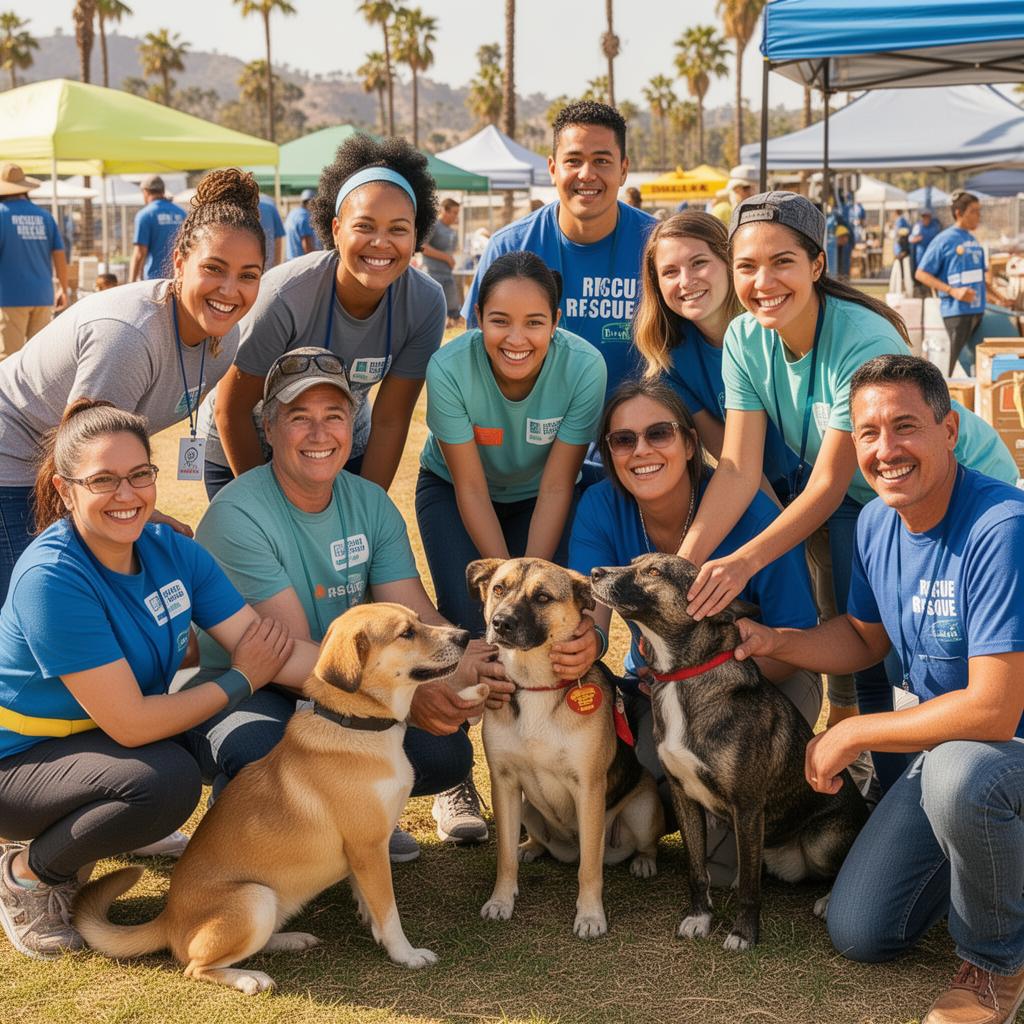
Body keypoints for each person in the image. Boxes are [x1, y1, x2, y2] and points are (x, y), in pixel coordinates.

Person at [733, 355, 1024, 1024]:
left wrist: (853, 730)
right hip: (965, 757)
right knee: (863, 930)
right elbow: (865, 637)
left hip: (997, 750)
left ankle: (995, 966)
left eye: (905, 427)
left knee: (958, 769)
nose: (885, 450)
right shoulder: (877, 523)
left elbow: (994, 708)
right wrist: (780, 642)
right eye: (867, 433)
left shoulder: (1001, 527)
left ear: (949, 431)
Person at [679, 191, 1017, 752]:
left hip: (950, 486)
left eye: (782, 261)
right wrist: (682, 569)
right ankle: (879, 775)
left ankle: (964, 756)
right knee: (863, 632)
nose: (764, 281)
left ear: (817, 264)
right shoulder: (742, 338)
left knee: (944, 641)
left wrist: (742, 562)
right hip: (872, 494)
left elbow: (828, 484)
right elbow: (737, 468)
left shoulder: (860, 338)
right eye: (746, 267)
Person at [0, 399, 318, 960]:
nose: (127, 495)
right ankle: (27, 873)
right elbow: (131, 722)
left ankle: (222, 866)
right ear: (65, 488)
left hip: (101, 739)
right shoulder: (52, 577)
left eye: (139, 475)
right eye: (103, 480)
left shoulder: (174, 551)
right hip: (22, 761)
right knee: (161, 783)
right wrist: (242, 679)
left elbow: (268, 647)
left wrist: (396, 684)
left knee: (254, 741)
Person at [195, 349, 510, 860]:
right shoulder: (238, 516)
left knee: (444, 754)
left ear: (351, 427)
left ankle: (361, 818)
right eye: (300, 418)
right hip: (257, 685)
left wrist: (472, 664)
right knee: (260, 750)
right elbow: (294, 659)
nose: (320, 435)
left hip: (345, 679)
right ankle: (254, 827)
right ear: (269, 429)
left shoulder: (370, 502)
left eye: (334, 417)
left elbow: (417, 615)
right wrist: (409, 692)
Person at [568, 378, 822, 882]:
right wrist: (583, 647)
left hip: (766, 682)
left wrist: (703, 679)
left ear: (689, 443)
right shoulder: (601, 507)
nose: (641, 450)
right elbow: (592, 626)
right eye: (623, 440)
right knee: (642, 771)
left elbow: (795, 641)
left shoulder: (750, 514)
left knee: (727, 866)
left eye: (658, 433)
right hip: (658, 687)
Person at [0, 168, 267, 601]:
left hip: (67, 465)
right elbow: (87, 464)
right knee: (37, 603)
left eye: (248, 275)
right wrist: (141, 515)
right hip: (13, 457)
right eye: (213, 269)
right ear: (180, 262)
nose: (229, 290)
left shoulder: (225, 338)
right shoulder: (130, 337)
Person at [200, 134, 447, 499]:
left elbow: (390, 421)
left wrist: (366, 509)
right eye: (364, 226)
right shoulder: (285, 296)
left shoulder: (425, 303)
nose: (381, 243)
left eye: (398, 229)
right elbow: (231, 410)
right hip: (244, 443)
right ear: (335, 230)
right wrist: (269, 509)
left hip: (335, 449)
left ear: (416, 235)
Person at [417, 251, 607, 634]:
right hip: (455, 491)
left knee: (542, 615)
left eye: (534, 322)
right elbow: (470, 488)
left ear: (555, 322)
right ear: (478, 319)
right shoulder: (448, 367)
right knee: (471, 619)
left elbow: (556, 486)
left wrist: (523, 589)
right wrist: (504, 587)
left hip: (542, 494)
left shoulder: (585, 367)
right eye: (499, 321)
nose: (516, 338)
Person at [462, 101, 656, 402]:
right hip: (536, 434)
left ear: (624, 169)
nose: (587, 174)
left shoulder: (659, 246)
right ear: (553, 168)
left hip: (632, 435)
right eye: (574, 160)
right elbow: (474, 356)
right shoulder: (509, 247)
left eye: (602, 161)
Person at [632, 211, 800, 505]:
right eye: (670, 272)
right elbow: (733, 463)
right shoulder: (672, 364)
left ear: (730, 263)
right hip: (765, 494)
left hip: (837, 486)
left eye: (699, 263)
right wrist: (782, 528)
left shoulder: (775, 326)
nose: (686, 281)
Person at [0, 163, 68, 361]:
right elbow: (59, 254)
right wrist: (63, 288)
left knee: (7, 360)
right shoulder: (45, 216)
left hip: (9, 298)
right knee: (39, 361)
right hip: (43, 296)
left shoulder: (2, 214)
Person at [915, 191, 987, 375]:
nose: (978, 215)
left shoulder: (972, 239)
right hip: (957, 312)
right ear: (959, 213)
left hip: (977, 311)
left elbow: (980, 275)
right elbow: (921, 274)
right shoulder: (944, 239)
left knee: (975, 364)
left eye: (979, 211)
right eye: (974, 211)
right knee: (956, 368)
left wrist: (1000, 298)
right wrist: (952, 291)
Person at [129, 175, 186, 282]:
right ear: (162, 190)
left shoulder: (145, 215)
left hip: (154, 279)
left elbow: (140, 253)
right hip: (179, 277)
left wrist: (131, 282)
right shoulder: (181, 213)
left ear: (145, 192)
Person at [421, 197, 462, 327]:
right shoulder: (434, 226)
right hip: (432, 273)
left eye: (457, 213)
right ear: (444, 210)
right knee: (432, 308)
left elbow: (451, 252)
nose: (456, 216)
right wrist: (446, 257)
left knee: (453, 307)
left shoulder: (452, 231)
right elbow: (423, 247)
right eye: (454, 212)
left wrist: (451, 258)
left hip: (447, 274)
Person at [284, 188, 320, 260]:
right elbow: (307, 246)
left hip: (290, 260)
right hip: (301, 262)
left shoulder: (293, 213)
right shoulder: (304, 217)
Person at [908, 207, 941, 282]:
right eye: (924, 217)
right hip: (921, 253)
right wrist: (917, 239)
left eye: (927, 216)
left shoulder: (935, 226)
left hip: (932, 252)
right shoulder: (918, 226)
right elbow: (911, 239)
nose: (925, 219)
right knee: (922, 271)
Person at [257, 193, 285, 270]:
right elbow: (278, 239)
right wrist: (276, 267)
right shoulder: (271, 206)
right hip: (268, 267)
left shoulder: (242, 205)